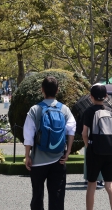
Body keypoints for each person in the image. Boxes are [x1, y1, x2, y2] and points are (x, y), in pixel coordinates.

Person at [23, 76, 76, 210]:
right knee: (57, 196)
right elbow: (71, 130)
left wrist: (27, 155)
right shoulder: (64, 109)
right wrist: (68, 151)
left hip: (38, 161)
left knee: (37, 195)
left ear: (42, 90)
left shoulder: (35, 109)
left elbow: (28, 135)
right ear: (58, 90)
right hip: (58, 159)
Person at [82, 85, 112, 210]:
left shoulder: (88, 111)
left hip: (94, 151)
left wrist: (88, 145)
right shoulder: (110, 110)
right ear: (106, 96)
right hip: (110, 150)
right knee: (110, 185)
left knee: (91, 183)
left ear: (91, 97)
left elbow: (84, 133)